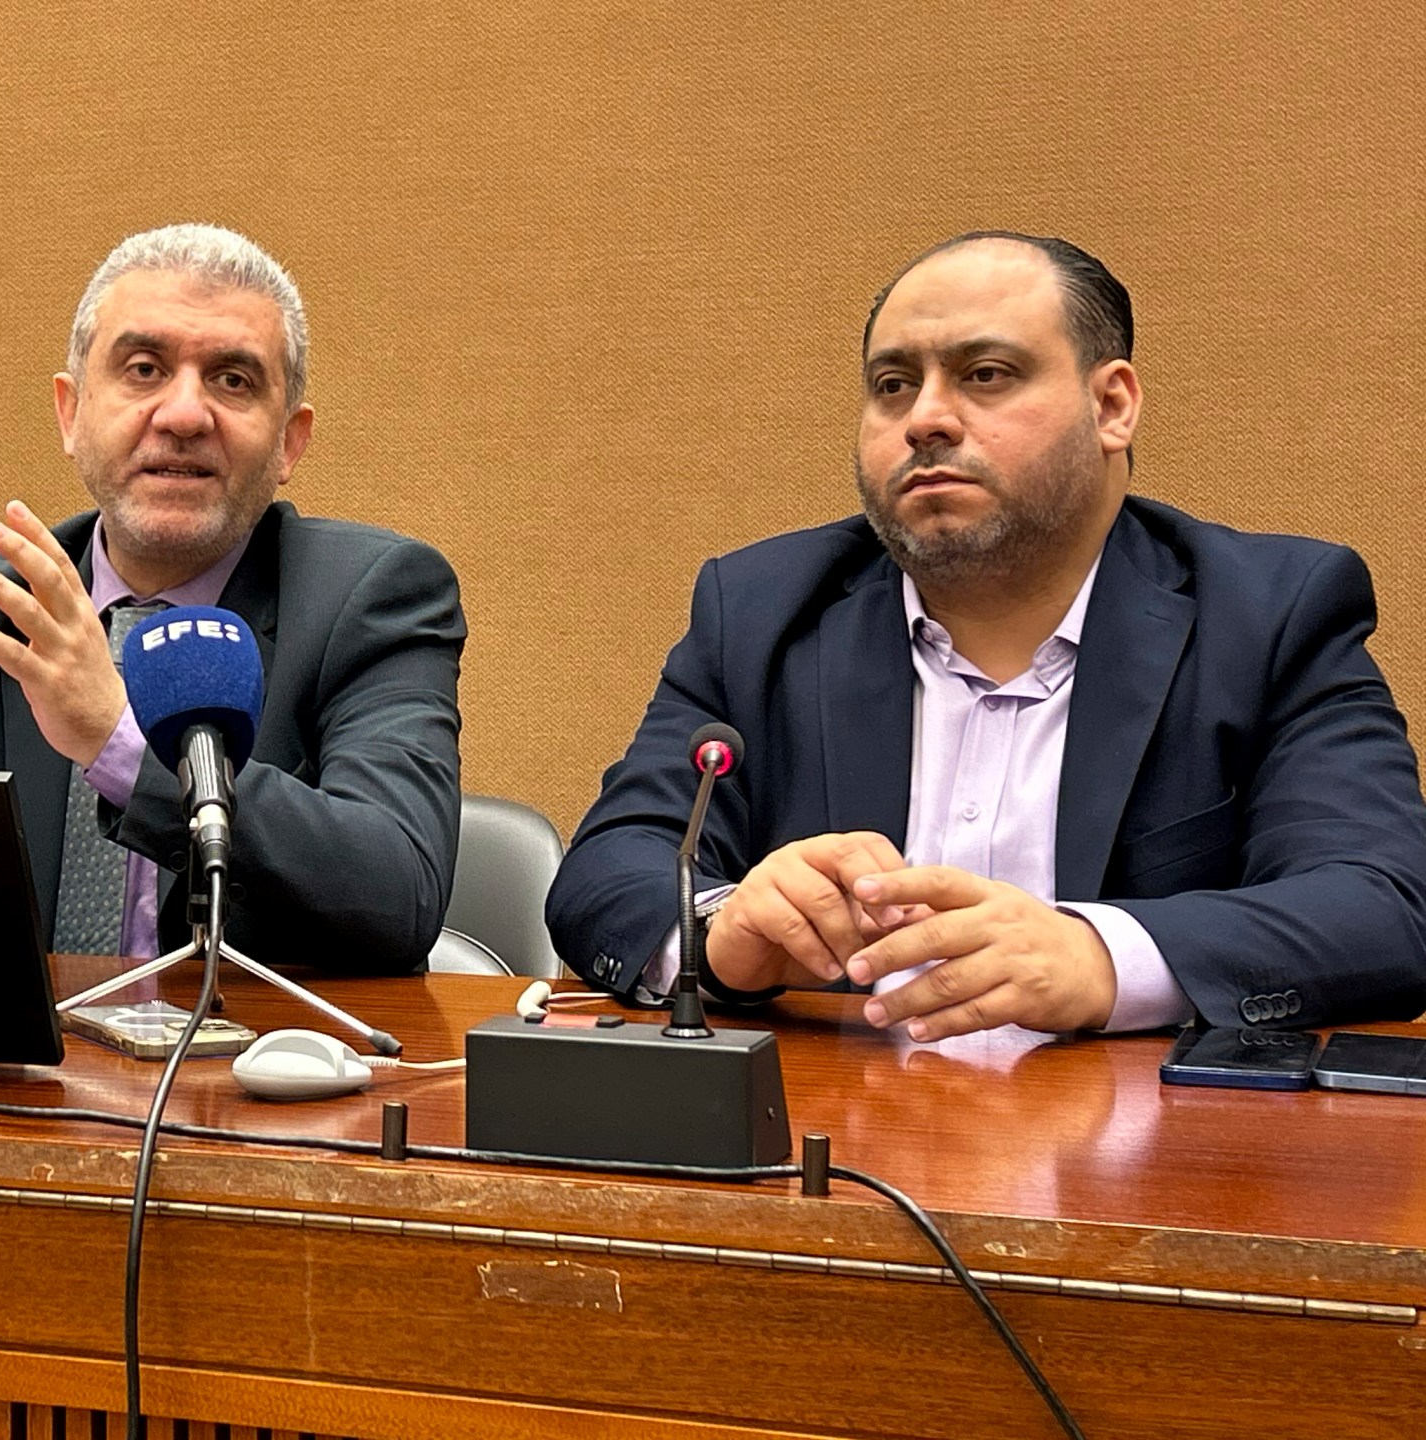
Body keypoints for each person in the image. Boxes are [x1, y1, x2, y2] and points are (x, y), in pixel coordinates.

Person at [550, 232, 1426, 1038]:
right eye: (893, 385)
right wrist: (723, 930)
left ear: (1112, 405)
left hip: (1141, 1161)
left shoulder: (1270, 613)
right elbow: (607, 876)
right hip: (833, 1140)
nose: (925, 418)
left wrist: (1100, 956)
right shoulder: (762, 609)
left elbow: (1386, 905)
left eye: (987, 374)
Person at [0, 224, 465, 973]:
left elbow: (396, 892)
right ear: (70, 413)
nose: (183, 415)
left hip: (233, 1074)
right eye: (144, 369)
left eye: (233, 380)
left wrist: (119, 739)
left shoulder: (367, 600)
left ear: (289, 444)